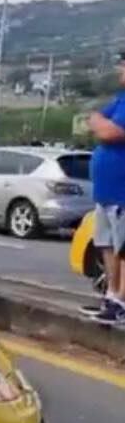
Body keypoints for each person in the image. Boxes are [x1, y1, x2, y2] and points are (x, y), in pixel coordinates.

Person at [84, 51, 125, 325]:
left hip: (122, 191)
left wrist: (101, 123)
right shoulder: (120, 100)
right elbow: (94, 119)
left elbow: (110, 132)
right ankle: (111, 297)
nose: (120, 68)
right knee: (107, 245)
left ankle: (121, 302)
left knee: (123, 248)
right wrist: (100, 122)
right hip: (107, 191)